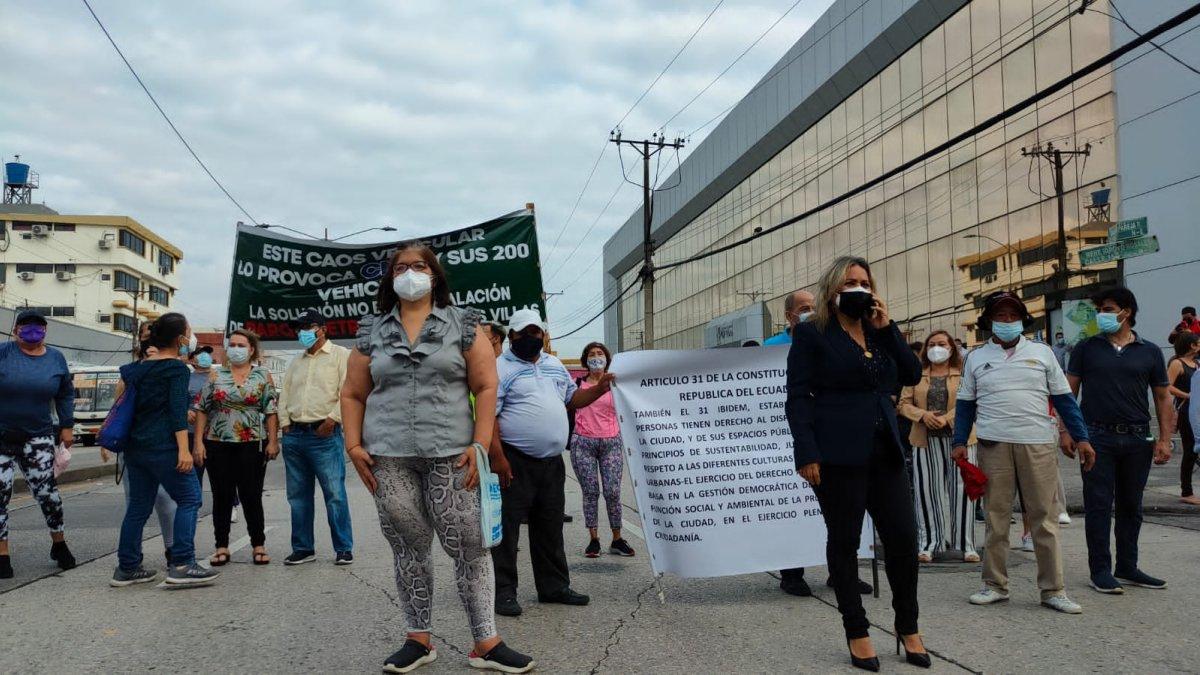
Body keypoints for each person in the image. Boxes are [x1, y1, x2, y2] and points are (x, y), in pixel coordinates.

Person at [341, 241, 534, 673]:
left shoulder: (464, 325)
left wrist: (480, 443)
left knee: (469, 547)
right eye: (401, 267)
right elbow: (353, 393)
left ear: (435, 274)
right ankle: (418, 639)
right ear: (390, 278)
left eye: (418, 266)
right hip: (387, 458)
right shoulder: (372, 330)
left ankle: (486, 642)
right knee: (408, 549)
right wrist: (353, 445)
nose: (410, 273)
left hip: (452, 455)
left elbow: (486, 387)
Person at [786, 256, 927, 671]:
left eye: (864, 282)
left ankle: (909, 626)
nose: (859, 288)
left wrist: (889, 331)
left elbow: (912, 374)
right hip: (836, 455)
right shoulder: (813, 334)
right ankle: (857, 631)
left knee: (902, 539)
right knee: (844, 542)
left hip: (885, 451)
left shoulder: (878, 331)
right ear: (833, 289)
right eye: (850, 282)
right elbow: (797, 396)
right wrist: (806, 452)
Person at [953, 291, 1091, 614]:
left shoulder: (1043, 354)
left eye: (1012, 316)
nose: (1007, 322)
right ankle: (994, 585)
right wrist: (960, 441)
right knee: (996, 518)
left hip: (1038, 444)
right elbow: (965, 405)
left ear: (1022, 321)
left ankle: (1053, 590)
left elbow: (1064, 400)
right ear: (989, 322)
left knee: (1045, 517)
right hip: (993, 445)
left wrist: (1080, 436)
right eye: (1000, 316)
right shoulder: (975, 358)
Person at [492, 309, 613, 619]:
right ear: (512, 336)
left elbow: (572, 400)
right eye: (524, 333)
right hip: (514, 460)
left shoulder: (554, 364)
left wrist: (598, 390)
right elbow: (489, 416)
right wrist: (498, 458)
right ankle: (503, 592)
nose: (531, 338)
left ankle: (553, 587)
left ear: (543, 335)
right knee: (506, 531)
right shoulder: (500, 368)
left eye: (536, 332)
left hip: (551, 463)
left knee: (549, 526)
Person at [1065, 287, 1172, 594]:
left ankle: (1127, 566)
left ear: (1127, 311)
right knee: (1098, 505)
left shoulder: (1150, 351)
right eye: (1100, 308)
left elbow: (1162, 396)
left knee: (1131, 506)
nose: (1103, 315)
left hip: (1138, 438)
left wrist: (1164, 439)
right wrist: (1067, 431)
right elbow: (1068, 392)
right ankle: (1100, 570)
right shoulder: (1086, 347)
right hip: (1096, 437)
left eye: (1108, 309)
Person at [110, 312, 215, 587]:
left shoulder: (133, 369)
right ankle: (182, 563)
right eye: (189, 331)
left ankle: (127, 567)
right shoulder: (177, 370)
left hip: (135, 448)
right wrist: (184, 450)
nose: (190, 338)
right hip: (165, 446)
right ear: (180, 338)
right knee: (190, 498)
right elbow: (177, 413)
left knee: (138, 507)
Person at [0, 309, 76, 579]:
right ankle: (2, 553)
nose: (32, 331)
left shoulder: (55, 358)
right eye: (25, 327)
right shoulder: (4, 353)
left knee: (48, 494)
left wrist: (67, 425)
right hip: (2, 436)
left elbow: (66, 393)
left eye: (38, 327)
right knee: (0, 495)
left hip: (38, 436)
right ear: (15, 330)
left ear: (45, 331)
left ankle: (59, 543)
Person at [194, 329, 279, 566]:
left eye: (241, 345)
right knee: (222, 495)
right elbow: (202, 408)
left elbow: (271, 410)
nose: (236, 349)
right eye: (232, 344)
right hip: (218, 442)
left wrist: (273, 441)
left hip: (251, 442)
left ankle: (258, 544)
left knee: (251, 495)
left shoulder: (262, 376)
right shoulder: (215, 375)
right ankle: (221, 546)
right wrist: (198, 443)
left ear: (251, 349)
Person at [278, 309, 354, 566]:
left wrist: (333, 419)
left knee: (334, 494)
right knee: (298, 496)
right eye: (299, 328)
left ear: (323, 328)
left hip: (324, 435)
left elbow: (349, 391)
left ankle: (343, 547)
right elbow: (284, 395)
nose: (303, 332)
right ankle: (303, 548)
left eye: (308, 326)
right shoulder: (296, 362)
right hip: (295, 436)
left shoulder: (341, 356)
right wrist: (285, 425)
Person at [899, 330, 978, 563]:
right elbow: (903, 403)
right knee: (926, 491)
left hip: (960, 441)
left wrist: (948, 418)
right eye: (932, 344)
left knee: (963, 492)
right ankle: (928, 543)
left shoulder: (963, 373)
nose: (936, 347)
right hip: (924, 440)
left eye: (942, 343)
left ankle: (965, 545)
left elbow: (972, 400)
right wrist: (922, 415)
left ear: (951, 347)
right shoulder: (916, 374)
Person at [569, 342, 633, 559]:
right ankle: (593, 539)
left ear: (607, 359)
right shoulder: (577, 383)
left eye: (600, 354)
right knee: (590, 492)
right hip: (583, 443)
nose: (596, 357)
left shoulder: (616, 383)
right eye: (592, 354)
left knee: (613, 492)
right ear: (585, 360)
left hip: (611, 442)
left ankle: (617, 539)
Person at [1171, 333, 1200, 505]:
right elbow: (1167, 386)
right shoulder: (1177, 363)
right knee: (1190, 450)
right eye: (1198, 343)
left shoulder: (1196, 363)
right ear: (1191, 345)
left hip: (1197, 409)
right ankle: (1186, 491)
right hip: (1186, 410)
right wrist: (1188, 395)